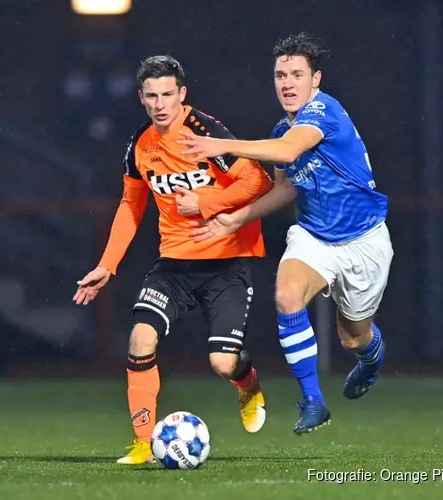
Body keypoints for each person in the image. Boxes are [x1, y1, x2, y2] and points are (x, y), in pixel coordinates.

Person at [178, 33, 394, 435]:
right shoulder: (282, 128)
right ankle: (313, 401)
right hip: (314, 236)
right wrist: (234, 218)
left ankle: (371, 360)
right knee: (287, 295)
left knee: (353, 338)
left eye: (297, 74)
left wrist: (221, 144)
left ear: (316, 80)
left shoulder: (324, 112)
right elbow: (286, 187)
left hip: (364, 239)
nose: (287, 83)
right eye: (280, 75)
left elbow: (289, 152)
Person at [73, 55, 273, 464]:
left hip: (224, 264)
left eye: (168, 94)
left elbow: (259, 180)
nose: (161, 103)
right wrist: (106, 266)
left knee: (222, 363)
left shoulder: (205, 132)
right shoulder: (140, 145)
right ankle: (144, 443)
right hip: (174, 268)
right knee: (140, 338)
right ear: (141, 99)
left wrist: (205, 201)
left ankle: (248, 384)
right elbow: (131, 206)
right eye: (152, 96)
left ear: (182, 94)